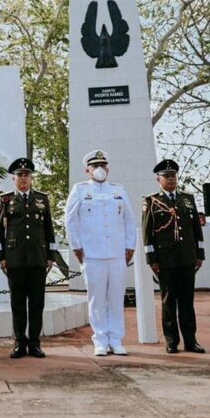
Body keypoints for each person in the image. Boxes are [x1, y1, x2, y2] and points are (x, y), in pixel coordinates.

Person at [64, 150, 136, 356]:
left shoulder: (119, 190)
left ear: (108, 169)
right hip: (92, 253)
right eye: (95, 166)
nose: (100, 170)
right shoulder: (79, 190)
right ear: (87, 170)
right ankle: (100, 340)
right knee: (96, 298)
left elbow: (129, 221)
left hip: (116, 253)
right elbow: (71, 220)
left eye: (103, 166)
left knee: (115, 297)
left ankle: (116, 339)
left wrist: (130, 246)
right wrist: (76, 245)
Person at [0, 157, 56, 359]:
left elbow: (49, 231)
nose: (23, 178)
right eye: (19, 175)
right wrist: (1, 256)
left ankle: (35, 343)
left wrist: (51, 256)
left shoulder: (42, 199)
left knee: (37, 304)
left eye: (26, 175)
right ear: (14, 178)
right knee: (18, 304)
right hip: (15, 260)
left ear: (31, 178)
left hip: (38, 259)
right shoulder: (6, 200)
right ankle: (20, 342)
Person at [143, 159, 206, 354]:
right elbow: (148, 233)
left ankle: (191, 340)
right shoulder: (151, 201)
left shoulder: (188, 199)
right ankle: (171, 341)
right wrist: (151, 259)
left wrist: (199, 254)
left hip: (187, 257)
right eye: (166, 176)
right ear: (158, 179)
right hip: (165, 259)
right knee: (169, 302)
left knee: (187, 301)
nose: (171, 180)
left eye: (173, 176)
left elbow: (196, 229)